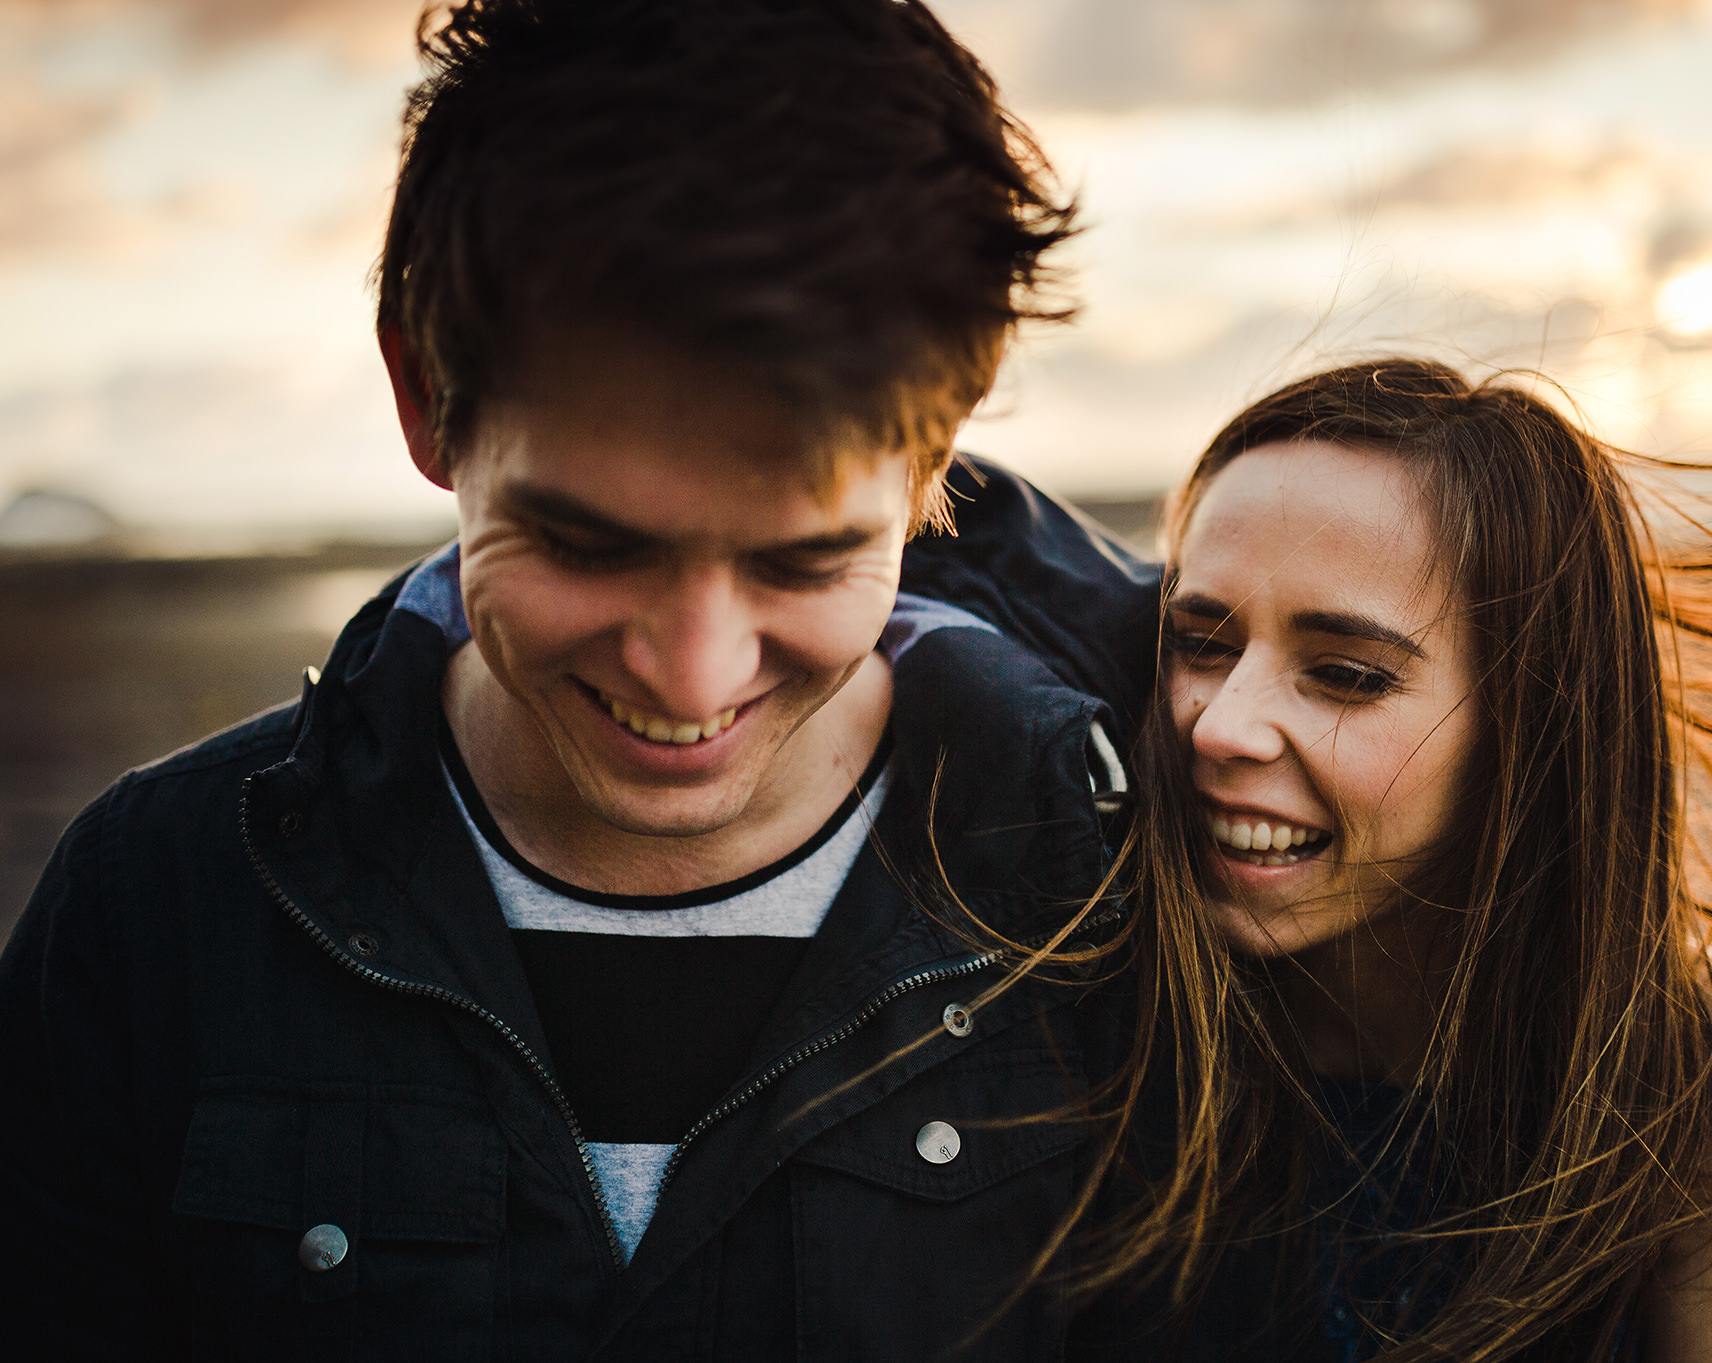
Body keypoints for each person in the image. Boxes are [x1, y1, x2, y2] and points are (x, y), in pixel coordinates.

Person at [0, 1, 1165, 1356]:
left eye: (802, 559)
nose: (693, 669)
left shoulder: (1119, 909)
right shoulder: (155, 903)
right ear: (426, 394)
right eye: (587, 542)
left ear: (933, 458)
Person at [1068, 357, 1712, 1361]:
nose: (1220, 727)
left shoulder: (1710, 1072)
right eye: (1198, 641)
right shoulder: (1089, 997)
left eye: (1344, 674)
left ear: (1524, 719)